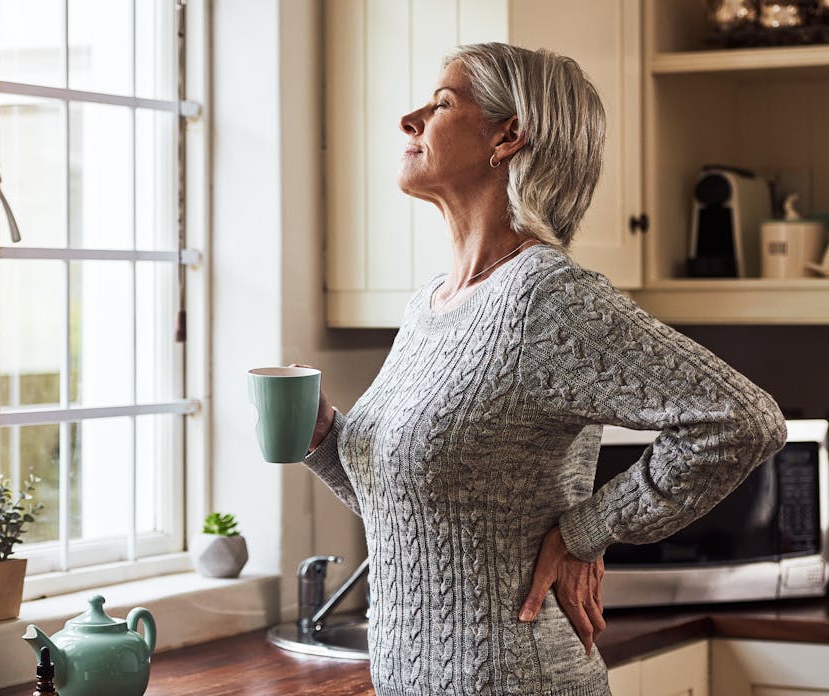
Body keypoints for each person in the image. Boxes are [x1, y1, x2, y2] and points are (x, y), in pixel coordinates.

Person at [300, 42, 786, 695]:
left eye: (441, 104)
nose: (408, 120)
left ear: (510, 136)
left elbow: (743, 420)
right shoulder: (428, 308)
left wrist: (586, 531)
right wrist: (328, 445)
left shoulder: (546, 299)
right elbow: (421, 514)